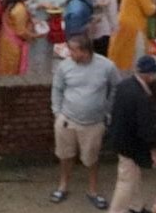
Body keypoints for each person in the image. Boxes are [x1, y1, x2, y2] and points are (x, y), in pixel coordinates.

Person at [49, 34, 117, 207]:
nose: (69, 53)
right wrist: (57, 113)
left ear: (84, 51)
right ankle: (63, 186)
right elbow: (57, 89)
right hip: (67, 120)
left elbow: (115, 88)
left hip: (93, 123)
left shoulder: (107, 66)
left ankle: (93, 190)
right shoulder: (64, 67)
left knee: (92, 158)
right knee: (65, 155)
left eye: (73, 50)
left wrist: (107, 110)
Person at [108, 56, 156, 213]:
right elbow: (146, 128)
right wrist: (154, 152)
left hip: (121, 139)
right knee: (126, 181)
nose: (154, 77)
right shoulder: (141, 97)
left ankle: (136, 206)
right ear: (147, 74)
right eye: (153, 73)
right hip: (131, 145)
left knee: (133, 176)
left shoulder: (124, 85)